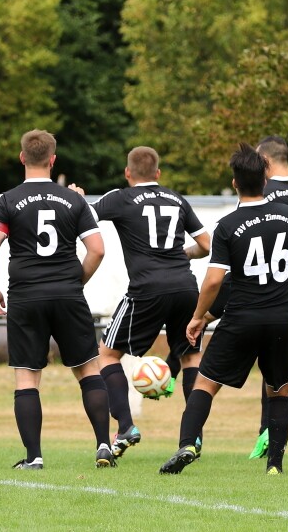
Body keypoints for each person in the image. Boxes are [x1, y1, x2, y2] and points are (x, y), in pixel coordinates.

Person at [159, 143, 288, 476]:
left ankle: (187, 444)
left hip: (242, 317)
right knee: (279, 390)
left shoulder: (228, 225)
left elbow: (214, 280)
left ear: (234, 183)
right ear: (265, 179)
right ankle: (275, 466)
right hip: (282, 318)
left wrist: (198, 317)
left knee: (205, 384)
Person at [0, 129, 113, 470]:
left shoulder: (7, 200)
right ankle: (104, 445)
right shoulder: (74, 200)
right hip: (68, 295)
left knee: (27, 377)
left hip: (26, 297)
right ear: (53, 160)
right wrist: (75, 282)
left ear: (22, 158)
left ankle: (34, 457)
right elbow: (97, 250)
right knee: (88, 369)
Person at [69, 146, 210, 459]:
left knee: (107, 354)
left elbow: (83, 216)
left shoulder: (120, 198)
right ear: (158, 173)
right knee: (191, 358)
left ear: (127, 173)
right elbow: (205, 244)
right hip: (186, 287)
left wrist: (77, 197)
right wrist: (183, 254)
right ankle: (193, 438)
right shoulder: (176, 198)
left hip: (147, 288)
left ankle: (126, 426)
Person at [246, 135, 288, 459]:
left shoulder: (261, 191)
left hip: (264, 284)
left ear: (266, 162)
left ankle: (266, 431)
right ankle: (271, 433)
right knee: (280, 361)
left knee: (266, 359)